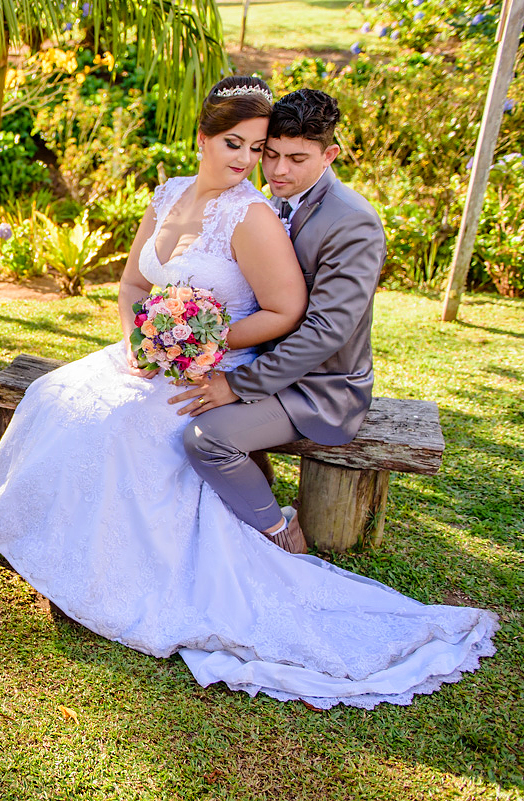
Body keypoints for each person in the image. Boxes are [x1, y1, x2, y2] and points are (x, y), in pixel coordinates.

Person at [0, 77, 497, 709]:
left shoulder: (302, 216)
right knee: (58, 395)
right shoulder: (170, 196)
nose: (260, 164)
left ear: (329, 155)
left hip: (297, 379)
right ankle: (65, 555)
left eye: (272, 151)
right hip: (178, 356)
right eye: (247, 147)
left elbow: (305, 320)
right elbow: (135, 283)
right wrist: (147, 340)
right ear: (203, 140)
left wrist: (203, 353)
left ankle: (197, 555)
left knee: (134, 427)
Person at [170, 89, 384, 555]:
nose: (279, 171)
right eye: (270, 155)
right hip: (256, 364)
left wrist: (238, 384)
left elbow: (328, 331)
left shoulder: (352, 223)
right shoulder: (264, 203)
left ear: (329, 155)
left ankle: (281, 533)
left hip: (319, 388)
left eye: (297, 158)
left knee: (206, 439)